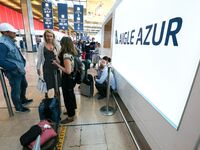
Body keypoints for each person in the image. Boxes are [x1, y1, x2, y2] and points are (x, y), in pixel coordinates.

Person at [0, 23, 33, 113]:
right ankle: (18, 107)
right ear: (6, 32)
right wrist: (13, 67)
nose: (15, 33)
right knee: (16, 89)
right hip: (14, 72)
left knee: (24, 85)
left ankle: (23, 99)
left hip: (19, 70)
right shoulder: (3, 44)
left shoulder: (10, 41)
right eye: (13, 32)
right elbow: (0, 60)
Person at [52, 36, 78, 124]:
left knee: (68, 97)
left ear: (63, 44)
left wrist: (56, 64)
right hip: (71, 79)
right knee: (70, 95)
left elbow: (68, 70)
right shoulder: (71, 53)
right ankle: (72, 110)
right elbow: (66, 65)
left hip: (68, 79)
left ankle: (71, 116)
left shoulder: (66, 55)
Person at [36, 29, 61, 98]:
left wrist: (55, 52)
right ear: (45, 36)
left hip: (56, 65)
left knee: (56, 80)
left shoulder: (57, 44)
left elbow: (60, 55)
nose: (49, 38)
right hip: (46, 66)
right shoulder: (42, 45)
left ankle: (57, 92)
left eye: (51, 36)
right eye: (47, 36)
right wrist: (38, 68)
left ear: (53, 37)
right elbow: (40, 57)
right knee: (47, 80)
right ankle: (46, 94)